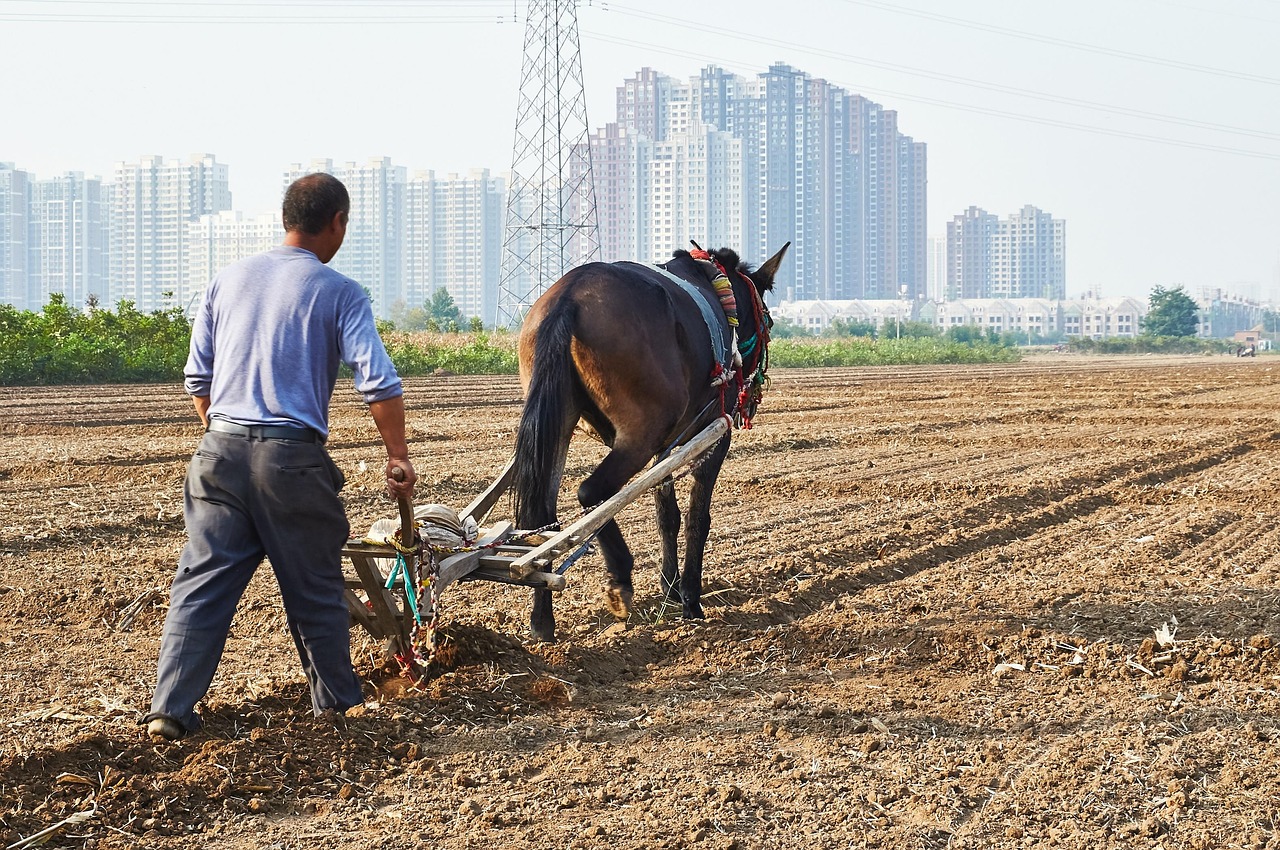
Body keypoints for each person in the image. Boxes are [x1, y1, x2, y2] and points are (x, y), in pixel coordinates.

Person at [143, 173, 416, 741]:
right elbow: (379, 383)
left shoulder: (228, 279)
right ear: (337, 221)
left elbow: (199, 378)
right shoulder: (339, 291)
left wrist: (228, 441)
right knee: (315, 587)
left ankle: (170, 709)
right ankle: (339, 710)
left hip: (217, 449)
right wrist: (398, 455)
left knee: (201, 584)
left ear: (286, 217)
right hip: (290, 460)